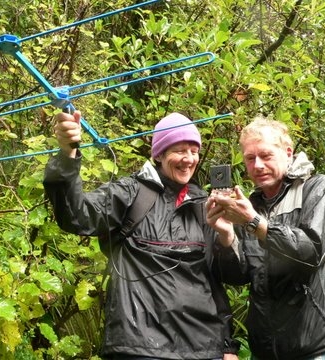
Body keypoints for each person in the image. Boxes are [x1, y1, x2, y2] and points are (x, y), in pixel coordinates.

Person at [43, 110, 239, 359]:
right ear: (159, 153)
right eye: (179, 150)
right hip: (139, 348)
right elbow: (77, 215)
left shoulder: (205, 205)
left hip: (204, 349)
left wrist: (228, 346)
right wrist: (67, 153)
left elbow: (217, 282)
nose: (189, 159)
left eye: (194, 151)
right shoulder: (131, 194)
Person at [206, 116, 325, 360]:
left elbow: (312, 252)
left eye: (266, 156)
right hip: (268, 351)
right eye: (250, 158)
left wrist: (255, 222)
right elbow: (239, 276)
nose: (258, 166)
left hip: (319, 345)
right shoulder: (251, 205)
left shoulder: (317, 188)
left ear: (288, 153)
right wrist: (226, 235)